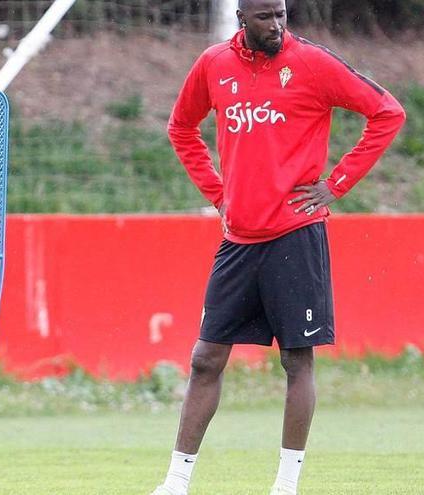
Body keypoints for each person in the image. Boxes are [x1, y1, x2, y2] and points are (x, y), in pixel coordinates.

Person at [151, 1, 405, 494]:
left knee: (297, 360)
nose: (278, 25)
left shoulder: (312, 63)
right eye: (266, 16)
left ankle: (286, 485)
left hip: (296, 236)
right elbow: (181, 128)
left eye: (283, 14)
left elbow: (386, 113)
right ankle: (176, 482)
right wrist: (218, 193)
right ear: (241, 17)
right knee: (205, 358)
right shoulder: (213, 64)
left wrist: (337, 183)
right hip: (239, 240)